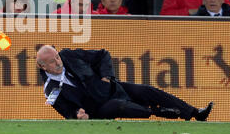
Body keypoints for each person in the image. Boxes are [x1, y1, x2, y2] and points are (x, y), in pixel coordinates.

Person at [36, 45, 214, 121]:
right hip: (98, 109)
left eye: (57, 57)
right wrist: (78, 114)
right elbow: (65, 111)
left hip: (110, 88)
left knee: (146, 90)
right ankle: (157, 111)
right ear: (42, 67)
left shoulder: (69, 55)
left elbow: (102, 54)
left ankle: (195, 112)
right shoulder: (50, 89)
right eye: (52, 61)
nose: (58, 62)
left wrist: (107, 75)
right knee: (120, 106)